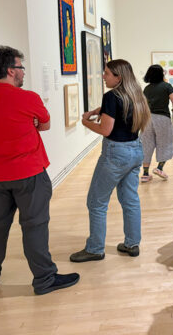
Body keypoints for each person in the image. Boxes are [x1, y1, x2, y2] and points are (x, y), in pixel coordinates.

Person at [0, 46, 79, 295]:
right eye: (20, 68)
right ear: (11, 70)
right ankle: (44, 280)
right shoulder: (27, 98)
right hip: (28, 174)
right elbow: (45, 123)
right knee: (34, 226)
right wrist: (30, 123)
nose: (22, 73)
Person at [70, 59, 151, 262]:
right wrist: (98, 111)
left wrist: (86, 122)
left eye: (106, 73)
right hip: (135, 150)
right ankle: (132, 244)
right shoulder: (136, 95)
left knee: (96, 202)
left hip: (116, 154)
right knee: (130, 199)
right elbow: (117, 111)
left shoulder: (111, 96)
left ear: (119, 77)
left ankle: (95, 248)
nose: (103, 76)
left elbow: (106, 130)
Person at [141, 64, 173, 182]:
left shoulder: (146, 89)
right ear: (161, 74)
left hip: (147, 119)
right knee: (165, 143)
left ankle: (145, 174)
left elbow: (142, 105)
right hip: (162, 118)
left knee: (146, 145)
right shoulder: (167, 86)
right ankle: (159, 168)